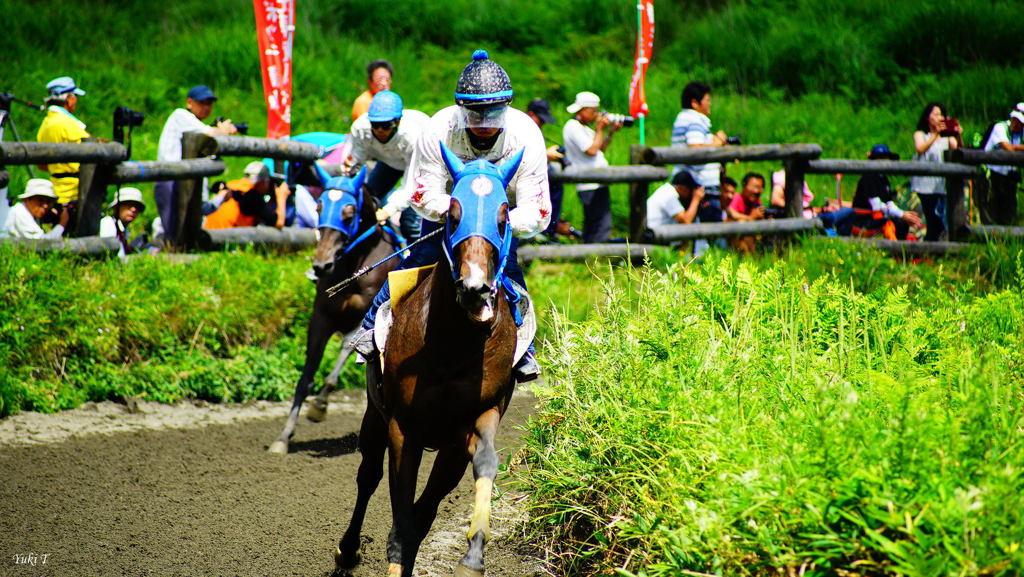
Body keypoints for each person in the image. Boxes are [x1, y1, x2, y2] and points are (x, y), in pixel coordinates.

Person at [352, 50, 551, 382]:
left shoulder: (527, 134)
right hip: (450, 212)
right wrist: (463, 214)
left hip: (500, 217)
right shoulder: (439, 128)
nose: (484, 125)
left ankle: (524, 350)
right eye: (476, 115)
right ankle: (370, 327)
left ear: (507, 108)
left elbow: (538, 210)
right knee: (419, 259)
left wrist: (493, 221)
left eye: (493, 115)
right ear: (462, 108)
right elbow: (421, 193)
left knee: (511, 270)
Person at [154, 85, 237, 242]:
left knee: (184, 229)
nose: (206, 107)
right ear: (189, 102)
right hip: (171, 178)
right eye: (202, 103)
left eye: (209, 104)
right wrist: (224, 130)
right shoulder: (181, 115)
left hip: (184, 178)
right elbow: (210, 133)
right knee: (173, 229)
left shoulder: (194, 123)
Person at [344, 90, 430, 241]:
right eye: (375, 125)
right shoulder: (360, 128)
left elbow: (411, 185)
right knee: (368, 203)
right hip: (390, 162)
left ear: (397, 122)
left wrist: (388, 210)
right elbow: (355, 163)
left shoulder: (413, 137)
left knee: (409, 222)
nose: (380, 131)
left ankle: (420, 257)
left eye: (385, 125)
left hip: (425, 168)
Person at [671, 81, 735, 225]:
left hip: (693, 182)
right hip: (701, 184)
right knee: (710, 232)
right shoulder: (694, 119)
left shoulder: (685, 118)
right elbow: (695, 148)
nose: (709, 103)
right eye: (707, 100)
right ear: (695, 103)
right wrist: (717, 142)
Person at [562, 91, 621, 243]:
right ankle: (598, 257)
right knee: (601, 224)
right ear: (583, 109)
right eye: (594, 111)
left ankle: (588, 256)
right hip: (589, 183)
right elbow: (591, 150)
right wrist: (600, 128)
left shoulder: (584, 128)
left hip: (596, 181)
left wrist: (610, 132)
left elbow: (600, 148)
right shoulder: (572, 126)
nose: (596, 115)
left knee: (594, 224)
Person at [36, 76, 90, 229]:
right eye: (75, 97)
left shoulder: (45, 124)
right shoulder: (68, 123)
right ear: (68, 99)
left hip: (56, 189)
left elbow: (41, 165)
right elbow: (92, 151)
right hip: (74, 191)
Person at [911, 102, 961, 240]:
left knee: (942, 222)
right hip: (924, 186)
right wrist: (935, 134)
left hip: (942, 186)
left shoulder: (947, 138)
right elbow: (920, 148)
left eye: (942, 115)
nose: (939, 118)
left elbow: (958, 151)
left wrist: (957, 135)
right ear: (928, 118)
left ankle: (936, 250)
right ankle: (927, 250)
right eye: (936, 114)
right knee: (930, 220)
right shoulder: (921, 134)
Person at [851, 144, 922, 240]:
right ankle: (895, 250)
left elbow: (889, 203)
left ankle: (901, 250)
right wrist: (901, 214)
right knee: (897, 222)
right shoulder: (868, 176)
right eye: (879, 158)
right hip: (864, 220)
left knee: (901, 222)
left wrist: (903, 214)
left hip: (877, 217)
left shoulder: (883, 178)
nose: (882, 161)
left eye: (885, 158)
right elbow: (876, 205)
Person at [525, 98, 568, 241]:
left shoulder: (536, 132)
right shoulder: (520, 130)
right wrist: (546, 155)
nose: (543, 123)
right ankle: (537, 236)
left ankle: (547, 232)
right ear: (531, 114)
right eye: (541, 119)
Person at [204, 161, 291, 229]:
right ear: (264, 182)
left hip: (209, 231)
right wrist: (281, 198)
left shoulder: (232, 185)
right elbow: (278, 223)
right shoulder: (252, 195)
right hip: (225, 239)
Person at [981, 103, 1024, 226]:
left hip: (1010, 177)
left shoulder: (1021, 133)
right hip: (993, 175)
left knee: (1009, 213)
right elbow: (1007, 147)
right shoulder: (1000, 128)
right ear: (1013, 120)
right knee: (992, 210)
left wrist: (1016, 147)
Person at [2, 179, 68, 239]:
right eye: (40, 200)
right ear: (27, 200)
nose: (45, 206)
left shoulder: (26, 211)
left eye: (48, 202)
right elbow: (43, 243)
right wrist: (62, 224)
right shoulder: (20, 213)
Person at [99, 187, 150, 256]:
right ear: (116, 207)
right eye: (128, 205)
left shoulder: (124, 229)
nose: (133, 209)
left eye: (137, 206)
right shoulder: (108, 224)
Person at [726, 172, 767, 253]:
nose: (757, 191)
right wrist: (751, 217)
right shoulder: (736, 198)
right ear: (744, 186)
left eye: (760, 188)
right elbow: (732, 214)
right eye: (755, 187)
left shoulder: (757, 202)